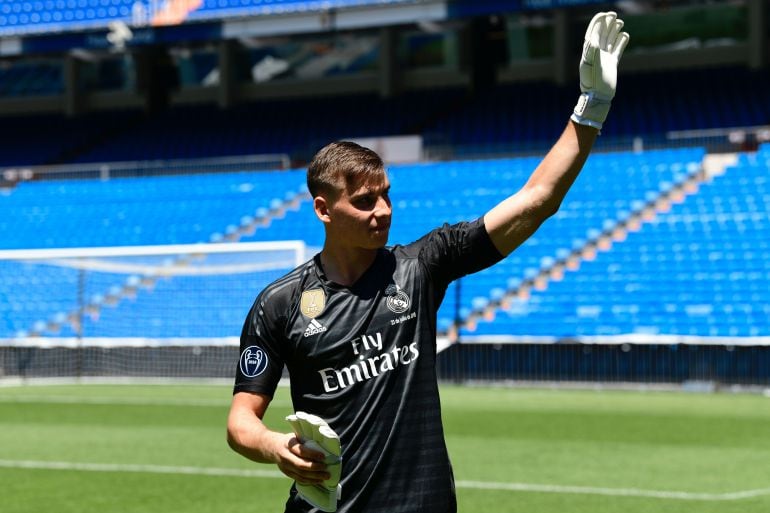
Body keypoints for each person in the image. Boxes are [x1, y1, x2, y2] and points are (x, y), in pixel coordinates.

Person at [227, 11, 629, 513]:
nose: (384, 212)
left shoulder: (420, 267)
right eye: (366, 202)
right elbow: (241, 421)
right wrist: (277, 447)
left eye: (387, 196)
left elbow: (537, 200)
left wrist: (591, 108)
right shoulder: (280, 304)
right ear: (324, 209)